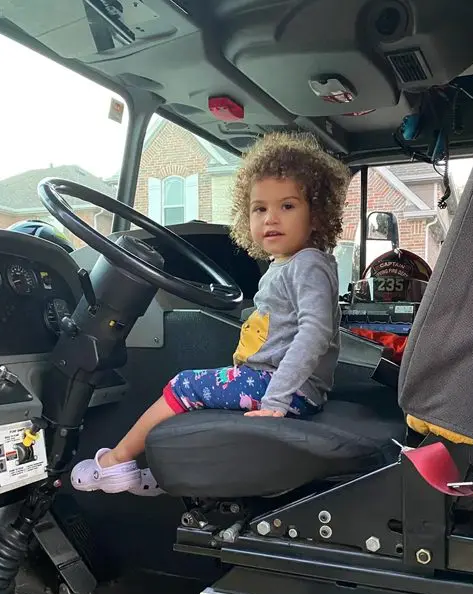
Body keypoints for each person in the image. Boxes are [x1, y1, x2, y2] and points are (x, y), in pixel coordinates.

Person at [71, 132, 350, 494]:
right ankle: (169, 469)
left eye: (288, 206)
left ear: (317, 215)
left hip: (280, 388)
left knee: (183, 385)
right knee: (209, 390)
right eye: (260, 208)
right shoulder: (290, 264)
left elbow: (315, 332)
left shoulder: (307, 264)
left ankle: (116, 461)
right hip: (282, 385)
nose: (271, 219)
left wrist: (277, 400)